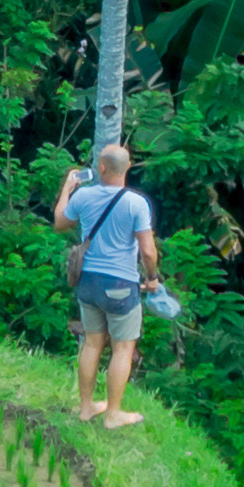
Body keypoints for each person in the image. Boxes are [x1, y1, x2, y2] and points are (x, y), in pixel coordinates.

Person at [50, 143, 160, 428]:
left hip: (88, 282)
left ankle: (86, 408)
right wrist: (152, 278)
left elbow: (60, 222)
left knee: (91, 343)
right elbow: (148, 251)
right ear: (128, 168)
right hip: (121, 285)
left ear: (100, 168)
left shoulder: (83, 196)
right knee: (122, 348)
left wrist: (67, 188)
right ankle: (112, 414)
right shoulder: (136, 203)